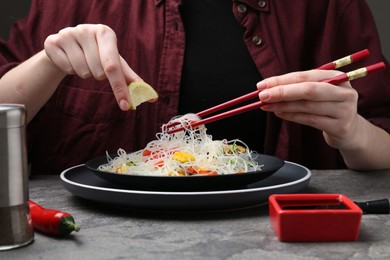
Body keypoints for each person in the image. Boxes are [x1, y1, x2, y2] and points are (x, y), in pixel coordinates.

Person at [1, 0, 390, 175]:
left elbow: (383, 140)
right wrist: (48, 62)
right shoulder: (66, 5)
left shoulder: (320, 7)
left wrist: (351, 131)